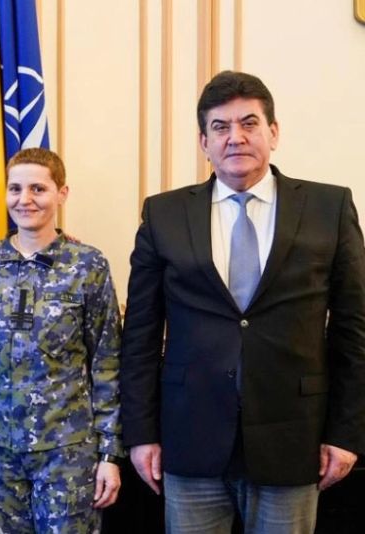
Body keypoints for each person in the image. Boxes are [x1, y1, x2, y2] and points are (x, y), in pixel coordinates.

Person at [121, 70, 365, 533]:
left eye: (249, 123)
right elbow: (140, 335)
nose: (235, 137)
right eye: (220, 127)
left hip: (294, 437)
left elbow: (354, 331)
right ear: (204, 142)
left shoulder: (328, 208)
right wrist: (140, 433)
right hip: (189, 437)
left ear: (273, 132)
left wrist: (347, 432)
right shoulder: (164, 213)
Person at [0, 148, 123, 533]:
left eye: (38, 189)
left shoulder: (87, 265)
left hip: (68, 452)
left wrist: (110, 453)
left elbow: (107, 362)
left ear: (62, 193)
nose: (24, 200)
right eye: (15, 189)